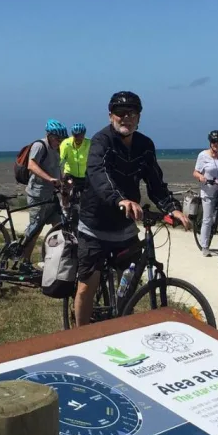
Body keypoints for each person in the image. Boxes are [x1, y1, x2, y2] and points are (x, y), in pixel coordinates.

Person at [75, 91, 191, 326]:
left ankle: (121, 323)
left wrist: (172, 208)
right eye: (120, 113)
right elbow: (99, 174)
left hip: (125, 225)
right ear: (110, 116)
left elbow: (155, 182)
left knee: (130, 280)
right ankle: (79, 334)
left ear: (139, 118)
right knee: (88, 284)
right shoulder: (101, 141)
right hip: (95, 224)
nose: (125, 117)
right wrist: (120, 199)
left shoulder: (145, 145)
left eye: (132, 113)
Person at [20, 119, 67, 266]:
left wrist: (65, 182)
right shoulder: (40, 146)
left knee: (60, 226)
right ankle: (24, 261)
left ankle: (51, 259)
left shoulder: (57, 149)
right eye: (57, 138)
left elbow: (58, 168)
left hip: (51, 195)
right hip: (37, 194)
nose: (59, 141)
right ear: (50, 135)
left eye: (61, 139)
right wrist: (50, 179)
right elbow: (31, 165)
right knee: (35, 229)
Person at [60, 123, 90, 190]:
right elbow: (60, 159)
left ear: (84, 135)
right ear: (73, 135)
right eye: (76, 136)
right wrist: (59, 174)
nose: (78, 138)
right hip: (70, 173)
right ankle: (65, 199)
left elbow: (95, 159)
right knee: (65, 191)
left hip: (84, 174)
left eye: (81, 136)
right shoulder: (66, 143)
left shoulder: (89, 143)